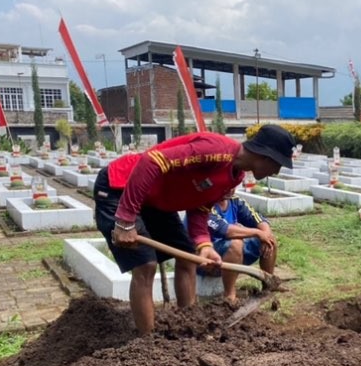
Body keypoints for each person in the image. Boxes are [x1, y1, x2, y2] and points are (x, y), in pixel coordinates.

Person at [93, 124, 295, 335]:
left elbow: (201, 206)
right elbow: (151, 161)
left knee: (189, 258)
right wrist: (125, 220)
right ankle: (149, 344)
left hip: (158, 200)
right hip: (121, 186)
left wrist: (204, 243)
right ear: (265, 157)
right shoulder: (216, 150)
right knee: (146, 265)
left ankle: (187, 329)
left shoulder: (235, 176)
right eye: (278, 165)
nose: (277, 171)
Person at [204, 190, 277, 302]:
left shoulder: (235, 201)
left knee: (269, 239)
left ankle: (268, 284)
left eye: (233, 186)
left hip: (230, 255)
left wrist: (265, 234)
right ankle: (229, 296)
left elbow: (258, 219)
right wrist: (257, 233)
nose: (230, 189)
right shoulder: (205, 205)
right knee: (236, 243)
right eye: (226, 186)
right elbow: (225, 230)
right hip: (206, 258)